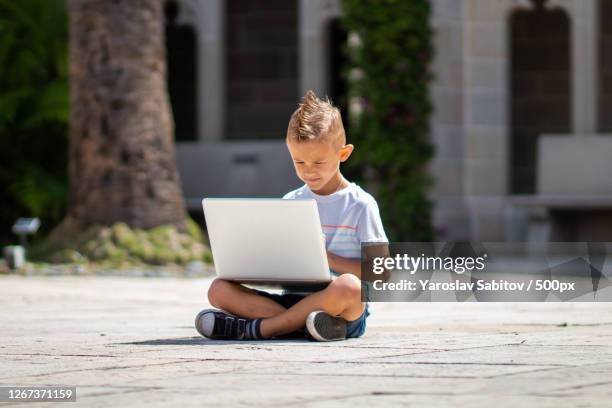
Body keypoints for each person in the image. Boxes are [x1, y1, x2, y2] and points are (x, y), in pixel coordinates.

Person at [195, 90, 388, 341]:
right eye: (299, 163)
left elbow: (381, 273)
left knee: (349, 286)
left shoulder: (361, 204)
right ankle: (308, 326)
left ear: (343, 154)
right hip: (291, 301)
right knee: (218, 289)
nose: (309, 171)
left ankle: (262, 329)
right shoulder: (292, 202)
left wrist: (325, 258)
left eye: (318, 163)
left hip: (340, 308)